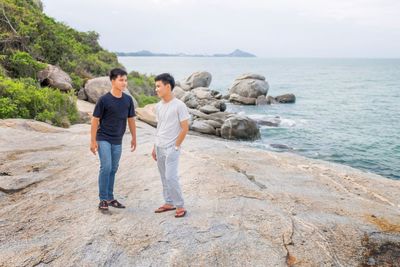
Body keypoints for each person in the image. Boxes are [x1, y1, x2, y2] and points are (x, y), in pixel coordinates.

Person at [90, 68, 136, 211]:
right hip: (103, 137)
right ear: (113, 81)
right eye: (121, 80)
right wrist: (93, 141)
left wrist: (134, 137)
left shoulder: (128, 100)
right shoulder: (104, 100)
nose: (124, 83)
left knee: (113, 169)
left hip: (118, 140)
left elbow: (131, 120)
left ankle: (110, 198)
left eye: (125, 80)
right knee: (106, 167)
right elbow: (95, 120)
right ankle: (103, 199)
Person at [152, 73, 190, 218]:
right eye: (156, 86)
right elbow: (159, 127)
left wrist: (176, 146)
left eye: (158, 86)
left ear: (168, 87)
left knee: (170, 177)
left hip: (171, 148)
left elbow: (185, 127)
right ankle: (169, 202)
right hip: (159, 146)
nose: (156, 89)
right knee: (163, 176)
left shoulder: (179, 105)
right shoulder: (158, 106)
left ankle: (179, 205)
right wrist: (154, 146)